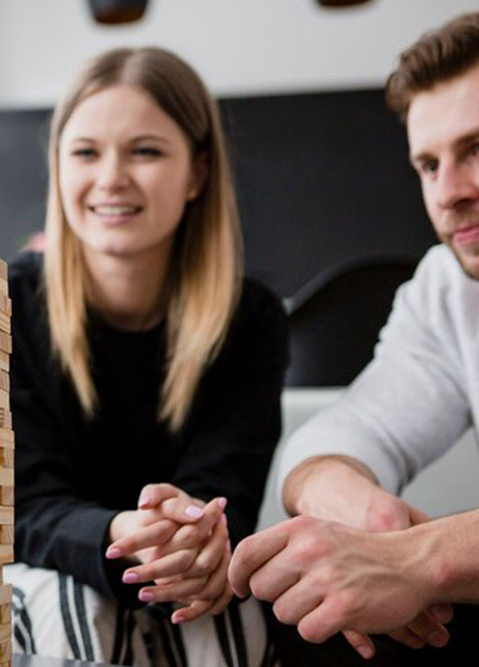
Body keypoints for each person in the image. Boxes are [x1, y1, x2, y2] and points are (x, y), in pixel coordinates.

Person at [7, 46, 288, 666]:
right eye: (85, 152)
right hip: (48, 576)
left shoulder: (252, 319)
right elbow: (19, 507)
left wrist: (188, 541)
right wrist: (116, 536)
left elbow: (226, 494)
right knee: (71, 604)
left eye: (146, 151)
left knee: (227, 616)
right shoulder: (7, 304)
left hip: (183, 581)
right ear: (58, 168)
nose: (111, 178)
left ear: (197, 173)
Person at [228, 12, 479, 665]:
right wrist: (368, 521)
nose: (447, 193)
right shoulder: (448, 288)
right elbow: (343, 433)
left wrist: (423, 560)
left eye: (476, 149)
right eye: (428, 164)